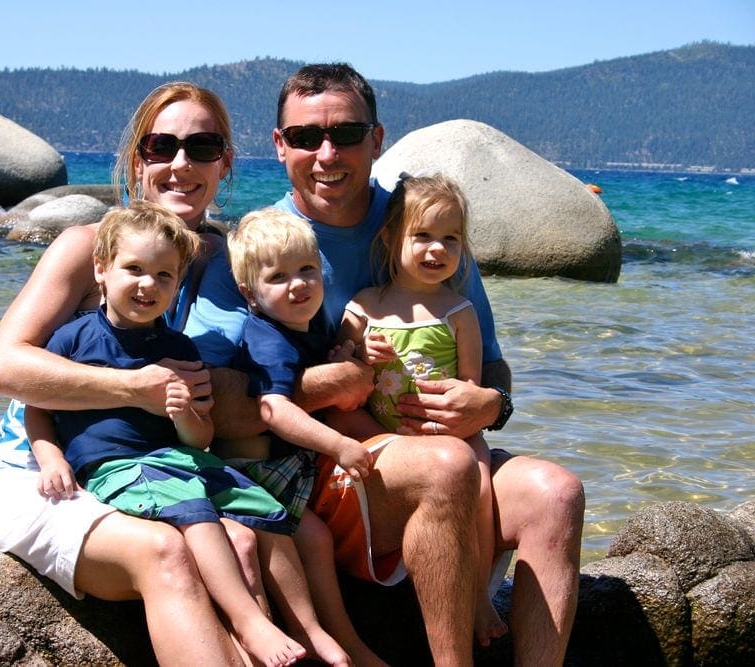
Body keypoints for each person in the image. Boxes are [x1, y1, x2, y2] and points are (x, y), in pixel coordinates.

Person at [202, 63, 584, 666]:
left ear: (377, 140)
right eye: (305, 137)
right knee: (445, 465)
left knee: (555, 494)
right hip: (321, 466)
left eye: (347, 134)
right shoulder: (259, 246)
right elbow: (217, 401)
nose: (327, 153)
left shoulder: (428, 226)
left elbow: (493, 364)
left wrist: (494, 403)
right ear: (280, 147)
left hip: (432, 453)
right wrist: (332, 382)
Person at [0, 82, 265, 665]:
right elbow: (0, 367)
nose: (181, 164)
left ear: (225, 163)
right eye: (162, 146)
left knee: (245, 541)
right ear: (139, 160)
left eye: (202, 147)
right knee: (163, 552)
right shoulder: (88, 248)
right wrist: (136, 387)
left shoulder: (231, 263)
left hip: (157, 470)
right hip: (42, 471)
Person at [27, 201, 351, 667]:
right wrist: (52, 459)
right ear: (101, 269)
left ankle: (309, 628)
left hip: (176, 458)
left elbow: (199, 439)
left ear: (178, 283)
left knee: (266, 508)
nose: (148, 284)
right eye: (134, 269)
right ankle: (249, 622)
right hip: (116, 466)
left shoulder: (179, 348)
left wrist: (183, 416)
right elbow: (38, 408)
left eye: (164, 276)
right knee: (194, 511)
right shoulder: (73, 339)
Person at [337, 174, 507, 646]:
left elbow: (472, 389)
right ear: (391, 239)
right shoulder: (366, 307)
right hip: (386, 438)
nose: (438, 249)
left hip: (448, 435)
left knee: (478, 478)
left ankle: (476, 593)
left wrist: (469, 411)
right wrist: (357, 355)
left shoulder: (459, 311)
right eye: (423, 236)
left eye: (451, 239)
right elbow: (340, 368)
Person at [223, 207, 386, 666]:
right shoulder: (267, 341)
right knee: (309, 537)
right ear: (249, 294)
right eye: (278, 277)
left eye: (307, 270)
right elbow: (273, 410)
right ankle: (315, 633)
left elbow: (324, 361)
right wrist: (337, 445)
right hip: (252, 472)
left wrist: (350, 351)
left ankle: (337, 637)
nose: (298, 284)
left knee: (314, 537)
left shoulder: (308, 322)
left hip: (283, 470)